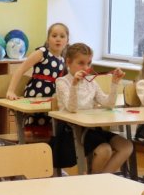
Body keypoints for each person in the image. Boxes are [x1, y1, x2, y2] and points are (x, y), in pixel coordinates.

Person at [54, 42, 132, 174]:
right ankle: (95, 180)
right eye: (81, 63)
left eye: (88, 63)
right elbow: (72, 108)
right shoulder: (62, 82)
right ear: (68, 62)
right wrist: (74, 85)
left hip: (91, 129)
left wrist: (114, 83)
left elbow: (109, 104)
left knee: (126, 146)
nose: (86, 68)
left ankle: (101, 179)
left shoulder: (91, 83)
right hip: (71, 131)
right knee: (105, 150)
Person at [6, 23, 73, 169]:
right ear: (48, 39)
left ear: (67, 41)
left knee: (50, 133)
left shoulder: (63, 59)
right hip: (35, 96)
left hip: (50, 100)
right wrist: (10, 90)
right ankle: (26, 165)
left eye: (62, 36)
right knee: (32, 132)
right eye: (54, 36)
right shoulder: (42, 52)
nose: (58, 39)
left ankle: (46, 167)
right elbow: (21, 69)